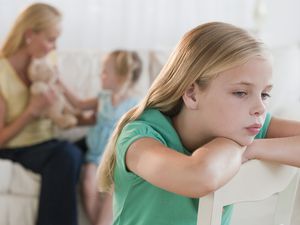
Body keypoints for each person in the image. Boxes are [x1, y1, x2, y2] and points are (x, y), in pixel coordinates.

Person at [97, 22, 300, 225]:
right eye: (240, 93)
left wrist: (252, 149)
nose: (260, 108)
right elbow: (200, 175)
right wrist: (233, 148)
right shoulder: (138, 137)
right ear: (192, 94)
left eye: (265, 94)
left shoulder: (245, 129)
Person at [0, 3, 82, 225]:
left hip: (47, 143)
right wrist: (32, 111)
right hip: (16, 148)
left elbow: (70, 103)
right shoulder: (2, 73)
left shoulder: (45, 66)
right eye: (50, 39)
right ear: (29, 35)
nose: (53, 47)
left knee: (91, 147)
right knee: (66, 156)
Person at [60, 50, 143, 225]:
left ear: (120, 78)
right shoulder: (102, 98)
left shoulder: (134, 106)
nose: (100, 75)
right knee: (88, 183)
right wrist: (60, 84)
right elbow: (79, 105)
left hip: (115, 159)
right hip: (94, 156)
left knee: (113, 191)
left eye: (105, 72)